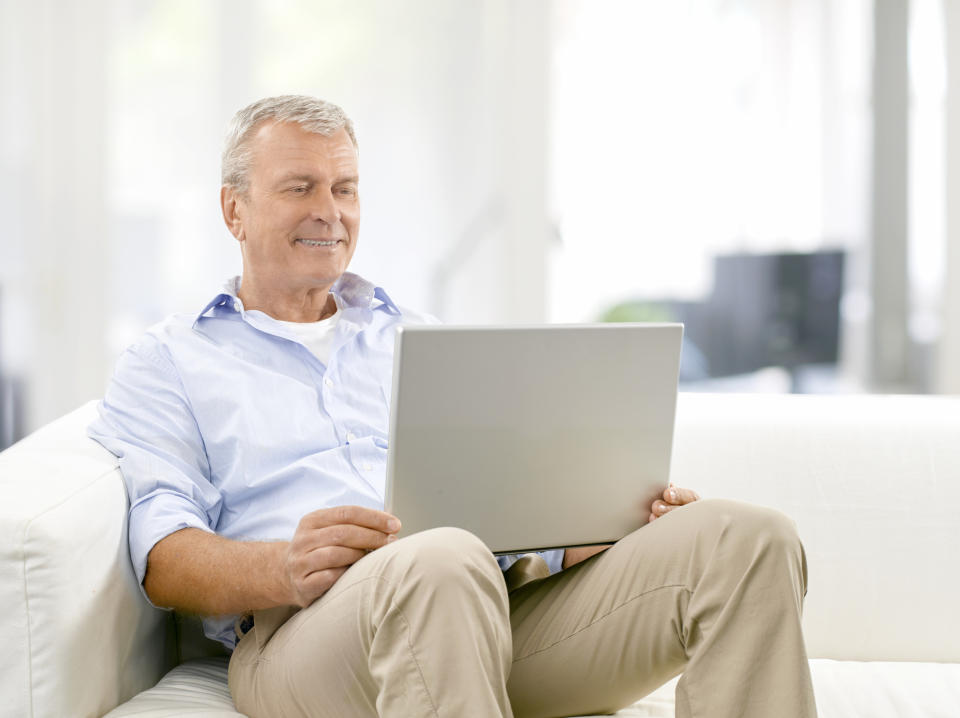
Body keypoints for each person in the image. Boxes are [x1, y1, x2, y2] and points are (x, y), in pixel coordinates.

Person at [89, 95, 817, 718]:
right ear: (234, 209)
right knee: (436, 557)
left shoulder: (420, 339)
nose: (330, 212)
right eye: (300, 187)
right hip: (298, 637)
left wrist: (585, 527)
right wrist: (285, 566)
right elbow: (164, 558)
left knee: (748, 539)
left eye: (345, 188)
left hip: (492, 609)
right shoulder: (172, 359)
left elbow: (502, 502)